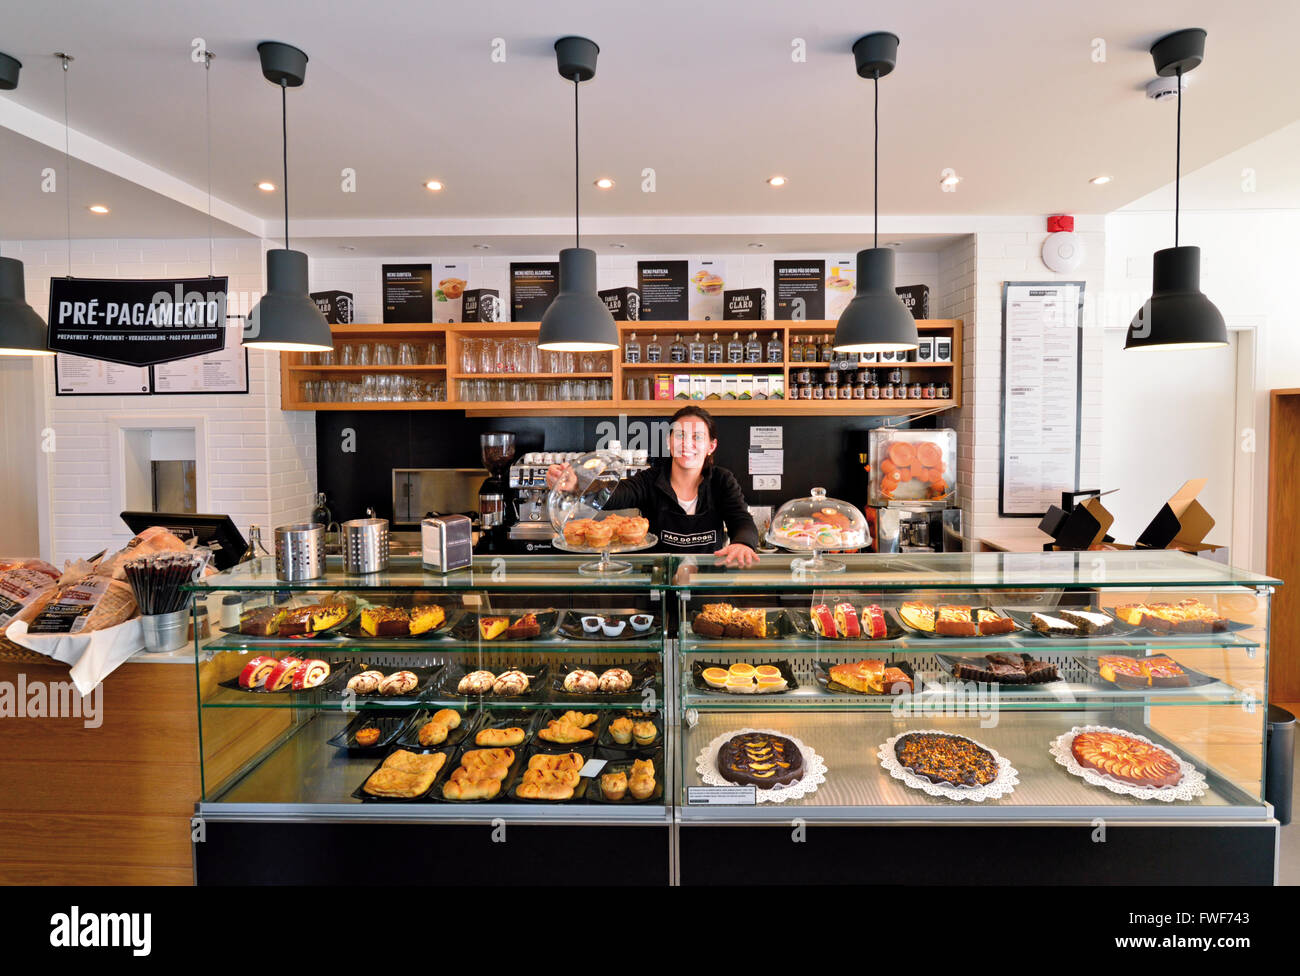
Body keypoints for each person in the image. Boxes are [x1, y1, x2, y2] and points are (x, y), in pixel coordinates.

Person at [546, 405, 760, 567]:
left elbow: (742, 520)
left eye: (697, 437)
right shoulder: (650, 480)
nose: (687, 444)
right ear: (668, 441)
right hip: (657, 587)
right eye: (680, 435)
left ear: (711, 446)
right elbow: (613, 496)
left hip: (707, 585)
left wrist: (743, 543)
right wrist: (577, 483)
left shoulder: (722, 480)